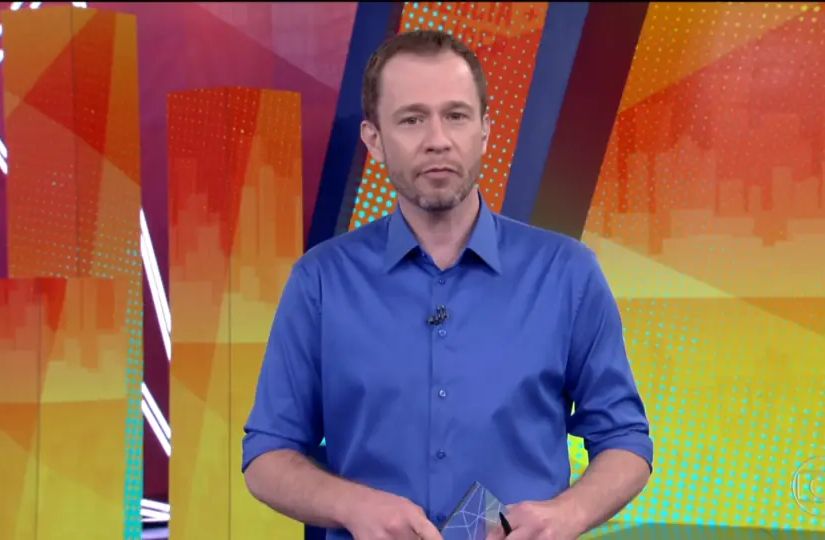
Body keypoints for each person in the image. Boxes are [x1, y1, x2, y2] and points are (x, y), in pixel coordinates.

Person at [242, 29, 653, 540]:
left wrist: (570, 513)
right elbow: (267, 454)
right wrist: (350, 505)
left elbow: (625, 438)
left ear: (484, 131)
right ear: (374, 139)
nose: (437, 139)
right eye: (411, 119)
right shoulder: (321, 281)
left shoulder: (567, 273)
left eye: (456, 115)